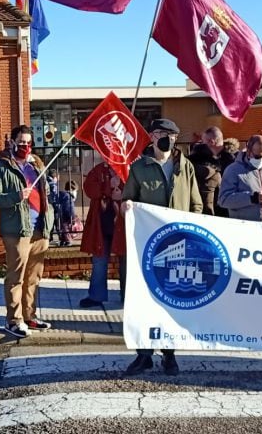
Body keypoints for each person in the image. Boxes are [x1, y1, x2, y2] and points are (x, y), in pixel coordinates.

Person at [122, 118, 202, 376]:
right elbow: (128, 200)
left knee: (171, 300)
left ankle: (169, 355)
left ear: (176, 138)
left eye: (169, 134)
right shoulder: (139, 168)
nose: (164, 138)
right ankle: (144, 354)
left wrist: (191, 231)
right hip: (149, 246)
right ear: (152, 137)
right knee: (145, 300)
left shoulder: (185, 166)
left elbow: (196, 204)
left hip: (178, 245)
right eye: (159, 133)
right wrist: (126, 207)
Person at [0, 125, 54, 339]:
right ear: (12, 142)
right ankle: (14, 320)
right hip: (17, 229)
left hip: (39, 228)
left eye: (28, 142)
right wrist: (16, 195)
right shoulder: (1, 168)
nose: (25, 146)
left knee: (34, 276)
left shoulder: (37, 164)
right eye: (21, 142)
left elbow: (45, 191)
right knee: (16, 275)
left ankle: (29, 315)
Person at [80, 161, 126, 307]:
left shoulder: (130, 170)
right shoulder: (99, 170)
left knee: (126, 263)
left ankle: (127, 296)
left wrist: (122, 196)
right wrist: (108, 186)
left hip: (124, 225)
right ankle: (96, 296)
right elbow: (88, 188)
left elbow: (138, 192)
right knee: (99, 262)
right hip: (102, 225)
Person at [189, 126, 235, 217]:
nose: (202, 144)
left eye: (203, 141)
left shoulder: (230, 161)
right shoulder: (232, 160)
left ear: (212, 142)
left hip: (221, 207)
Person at [54, 181, 78, 247]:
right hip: (66, 216)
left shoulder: (62, 195)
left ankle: (63, 240)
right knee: (67, 229)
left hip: (60, 215)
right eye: (76, 191)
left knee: (62, 229)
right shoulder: (68, 197)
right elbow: (69, 208)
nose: (76, 193)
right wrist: (72, 217)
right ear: (72, 190)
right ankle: (67, 241)